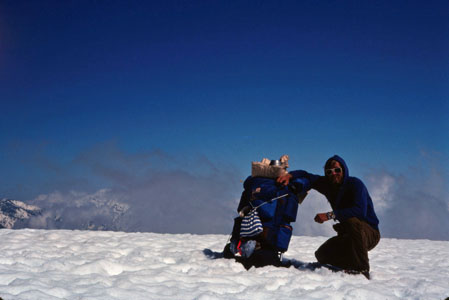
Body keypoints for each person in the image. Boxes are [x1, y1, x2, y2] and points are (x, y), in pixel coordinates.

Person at [277, 155, 380, 279]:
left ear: (344, 170)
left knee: (352, 221)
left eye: (337, 170)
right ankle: (351, 263)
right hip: (348, 236)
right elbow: (307, 175)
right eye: (329, 172)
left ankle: (362, 270)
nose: (333, 174)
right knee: (322, 255)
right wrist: (290, 176)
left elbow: (360, 212)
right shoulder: (327, 184)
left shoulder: (355, 184)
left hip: (369, 233)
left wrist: (329, 215)